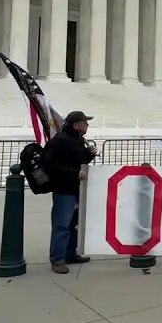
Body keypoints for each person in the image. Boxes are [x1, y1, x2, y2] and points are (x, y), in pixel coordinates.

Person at [44, 111, 96, 273]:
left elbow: (79, 160)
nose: (87, 125)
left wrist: (90, 154)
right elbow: (50, 165)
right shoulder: (60, 141)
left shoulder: (78, 141)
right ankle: (57, 259)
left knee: (73, 224)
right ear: (76, 125)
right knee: (62, 225)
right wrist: (74, 173)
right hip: (64, 189)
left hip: (76, 189)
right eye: (85, 122)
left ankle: (69, 253)